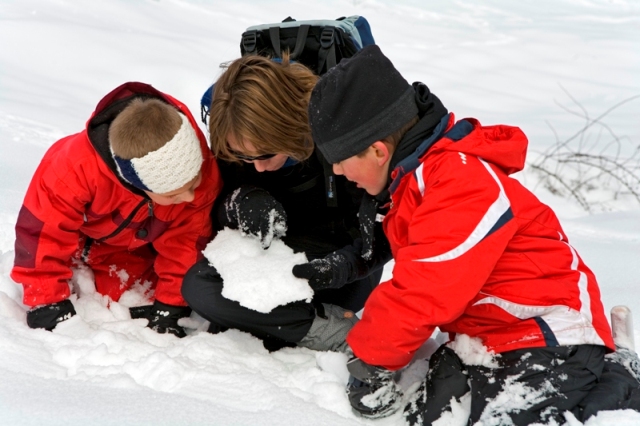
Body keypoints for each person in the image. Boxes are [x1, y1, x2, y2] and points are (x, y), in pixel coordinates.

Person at [307, 44, 640, 424]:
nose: (336, 172)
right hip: (489, 337)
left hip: (546, 336)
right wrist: (349, 263)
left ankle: (616, 381)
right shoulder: (416, 182)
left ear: (378, 151)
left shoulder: (459, 180)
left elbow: (426, 288)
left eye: (339, 160)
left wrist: (371, 359)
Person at [181, 54, 391, 352]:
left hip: (341, 267)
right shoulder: (233, 129)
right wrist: (240, 202)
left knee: (223, 300)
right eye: (243, 157)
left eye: (266, 155)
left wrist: (342, 266)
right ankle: (286, 321)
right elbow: (208, 214)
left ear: (288, 130)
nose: (257, 168)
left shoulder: (339, 137)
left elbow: (386, 230)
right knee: (198, 286)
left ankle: (327, 328)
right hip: (268, 259)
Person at [11, 82, 222, 338]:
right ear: (138, 185)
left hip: (138, 250)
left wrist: (171, 306)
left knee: (127, 300)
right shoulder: (72, 169)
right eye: (173, 194)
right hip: (79, 243)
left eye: (194, 182)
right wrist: (47, 301)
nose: (189, 197)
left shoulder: (199, 169)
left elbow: (186, 243)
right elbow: (42, 236)